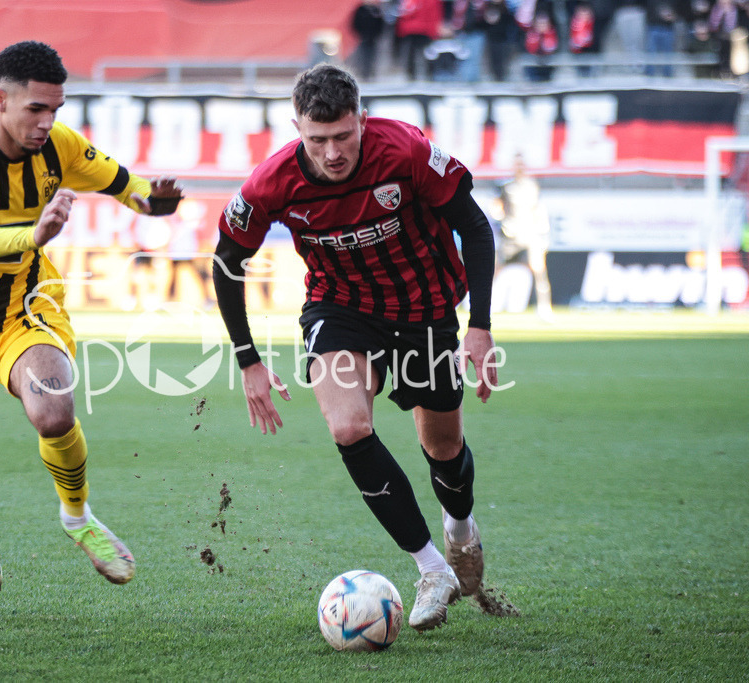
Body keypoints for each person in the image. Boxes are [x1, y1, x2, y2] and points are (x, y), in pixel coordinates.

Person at [213, 64, 498, 633]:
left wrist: (480, 325)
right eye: (317, 140)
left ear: (362, 120)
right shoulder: (270, 184)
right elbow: (227, 264)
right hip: (339, 309)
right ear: (297, 128)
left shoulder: (406, 152)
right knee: (347, 426)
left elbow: (475, 225)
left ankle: (461, 529)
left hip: (426, 310)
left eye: (343, 136)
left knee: (443, 448)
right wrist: (248, 360)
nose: (333, 152)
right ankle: (432, 569)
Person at [0, 41, 182, 623]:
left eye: (55, 110)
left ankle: (78, 518)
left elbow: (127, 187)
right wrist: (30, 237)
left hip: (24, 312)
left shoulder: (58, 146)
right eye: (35, 109)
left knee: (53, 409)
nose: (46, 123)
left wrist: (155, 204)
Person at [491, 154, 553, 319]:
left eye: (521, 164)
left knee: (539, 269)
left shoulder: (532, 185)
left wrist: (542, 228)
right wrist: (501, 220)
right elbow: (496, 207)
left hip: (529, 233)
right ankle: (487, 306)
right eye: (516, 164)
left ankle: (544, 307)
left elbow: (538, 208)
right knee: (495, 268)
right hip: (510, 234)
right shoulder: (505, 186)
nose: (519, 167)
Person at [350, 0, 387, 80]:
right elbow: (354, 23)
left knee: (373, 56)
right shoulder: (360, 10)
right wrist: (360, 34)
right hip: (363, 37)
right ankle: (363, 73)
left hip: (373, 37)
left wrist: (377, 35)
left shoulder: (376, 10)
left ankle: (371, 72)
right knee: (362, 55)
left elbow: (381, 24)